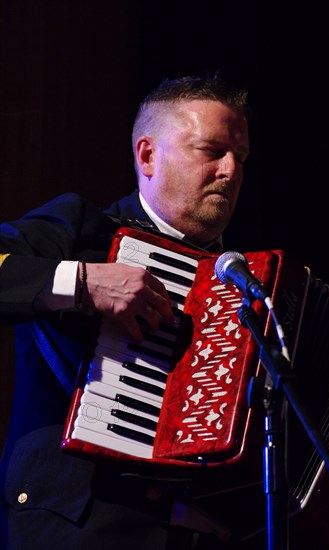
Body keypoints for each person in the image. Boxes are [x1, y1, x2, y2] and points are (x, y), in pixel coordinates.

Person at [0, 75, 251, 550]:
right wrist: (82, 281)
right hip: (74, 527)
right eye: (211, 150)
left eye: (241, 158)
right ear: (148, 155)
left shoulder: (244, 282)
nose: (230, 170)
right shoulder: (81, 230)